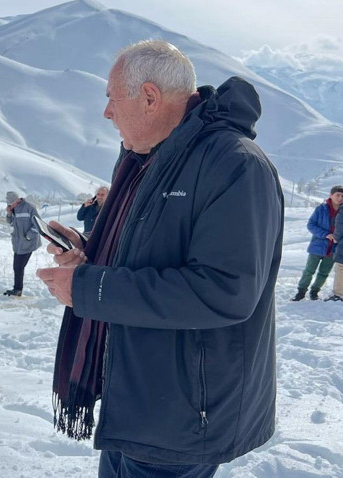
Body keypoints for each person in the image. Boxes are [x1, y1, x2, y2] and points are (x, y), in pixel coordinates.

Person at [36, 40, 283, 477]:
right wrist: (88, 251)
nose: (107, 112)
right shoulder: (146, 158)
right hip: (133, 400)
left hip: (183, 417)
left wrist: (89, 288)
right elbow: (149, 248)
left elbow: (224, 291)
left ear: (149, 97)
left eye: (112, 98)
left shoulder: (234, 166)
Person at [291, 185, 343, 301]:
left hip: (333, 249)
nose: (340, 198)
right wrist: (325, 234)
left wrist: (339, 237)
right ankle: (301, 292)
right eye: (337, 195)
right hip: (317, 247)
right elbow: (311, 225)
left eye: (342, 196)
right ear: (331, 195)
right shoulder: (321, 209)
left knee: (324, 273)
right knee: (309, 271)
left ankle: (314, 292)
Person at [3, 191, 42, 297]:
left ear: (18, 200)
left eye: (12, 203)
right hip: (18, 243)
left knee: (18, 266)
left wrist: (28, 236)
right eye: (9, 204)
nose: (11, 205)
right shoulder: (13, 209)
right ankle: (17, 289)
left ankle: (18, 290)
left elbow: (38, 225)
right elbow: (10, 222)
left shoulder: (30, 208)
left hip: (28, 243)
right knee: (17, 267)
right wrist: (9, 213)